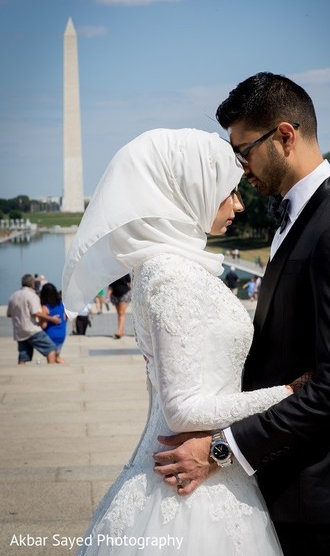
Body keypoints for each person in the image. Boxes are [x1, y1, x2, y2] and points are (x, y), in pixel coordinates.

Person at [153, 74, 330, 556]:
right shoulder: (296, 213)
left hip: (314, 488)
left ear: (284, 136)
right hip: (278, 475)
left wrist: (220, 449)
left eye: (244, 151)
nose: (240, 168)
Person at [62, 128, 310, 556]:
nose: (238, 203)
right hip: (185, 480)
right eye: (227, 192)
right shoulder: (169, 276)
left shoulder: (178, 267)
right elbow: (182, 411)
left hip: (212, 468)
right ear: (188, 191)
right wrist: (285, 394)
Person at [7, 274, 62, 364]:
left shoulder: (13, 296)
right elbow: (36, 313)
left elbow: (9, 314)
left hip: (19, 331)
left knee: (23, 355)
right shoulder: (32, 295)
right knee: (51, 349)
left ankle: (21, 372)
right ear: (32, 284)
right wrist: (51, 319)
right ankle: (52, 370)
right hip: (32, 330)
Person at [40, 282, 67, 362]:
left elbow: (43, 325)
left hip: (51, 335)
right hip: (62, 334)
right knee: (57, 357)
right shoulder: (61, 305)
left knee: (51, 357)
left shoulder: (45, 307)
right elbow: (65, 318)